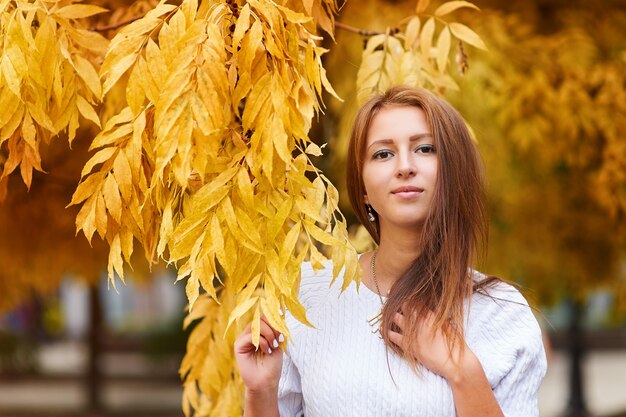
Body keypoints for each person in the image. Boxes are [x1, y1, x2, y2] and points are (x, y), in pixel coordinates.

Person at [234, 86, 547, 417]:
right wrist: (261, 390)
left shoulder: (501, 313)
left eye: (425, 148)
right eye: (383, 154)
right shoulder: (308, 294)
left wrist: (462, 371)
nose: (405, 166)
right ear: (365, 189)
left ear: (454, 170)